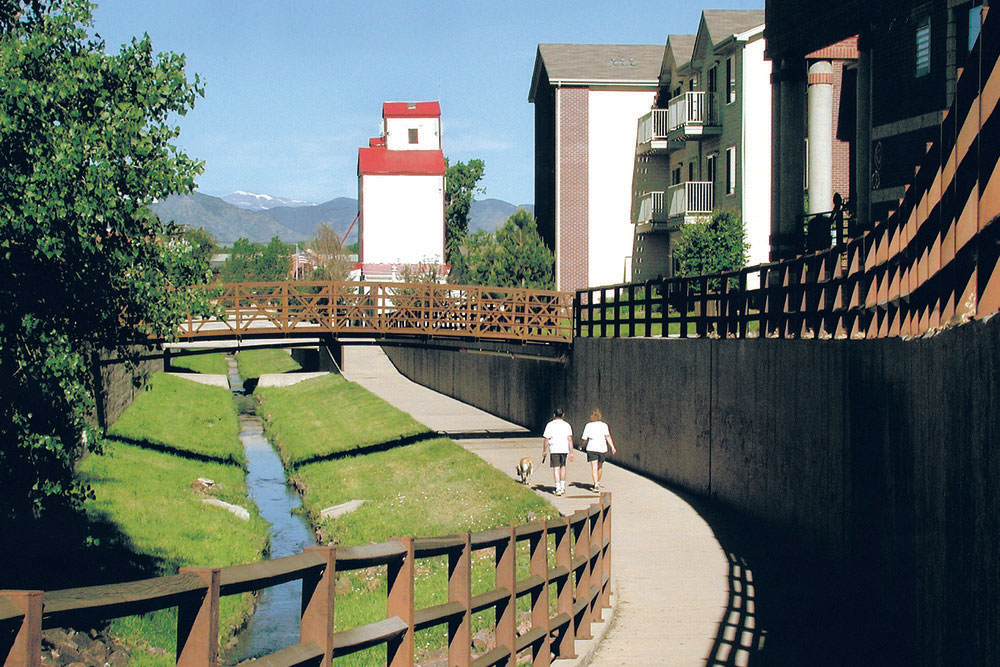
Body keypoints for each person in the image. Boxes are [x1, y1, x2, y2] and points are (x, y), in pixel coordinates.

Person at [581, 409, 616, 492]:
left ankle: (596, 484)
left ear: (592, 417)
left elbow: (584, 438)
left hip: (592, 448)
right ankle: (598, 482)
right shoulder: (604, 425)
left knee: (594, 467)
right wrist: (612, 447)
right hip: (602, 448)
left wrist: (581, 445)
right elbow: (608, 436)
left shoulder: (588, 425)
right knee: (600, 467)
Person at [542, 408, 573, 496]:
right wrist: (571, 452)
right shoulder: (567, 425)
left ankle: (558, 488)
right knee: (563, 466)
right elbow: (570, 439)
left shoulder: (550, 425)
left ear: (554, 415)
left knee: (556, 468)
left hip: (554, 449)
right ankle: (563, 487)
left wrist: (544, 450)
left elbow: (546, 439)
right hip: (564, 449)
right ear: (563, 415)